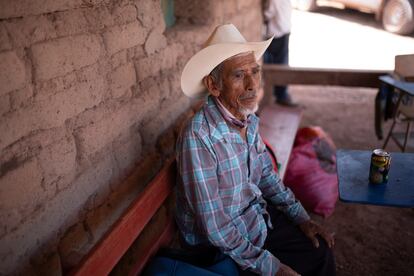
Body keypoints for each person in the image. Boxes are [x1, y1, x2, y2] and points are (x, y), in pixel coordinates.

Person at [177, 24, 335, 276]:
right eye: (238, 75)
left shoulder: (246, 119)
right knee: (303, 264)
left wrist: (301, 217)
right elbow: (214, 227)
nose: (252, 84)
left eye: (255, 71)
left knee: (319, 251)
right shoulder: (199, 136)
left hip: (254, 221)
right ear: (213, 85)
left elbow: (265, 175)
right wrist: (272, 267)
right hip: (218, 248)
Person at [262, 0, 298, 107]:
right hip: (283, 29)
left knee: (275, 63)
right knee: (281, 62)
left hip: (276, 32)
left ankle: (279, 94)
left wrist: (264, 14)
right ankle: (280, 93)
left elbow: (269, 12)